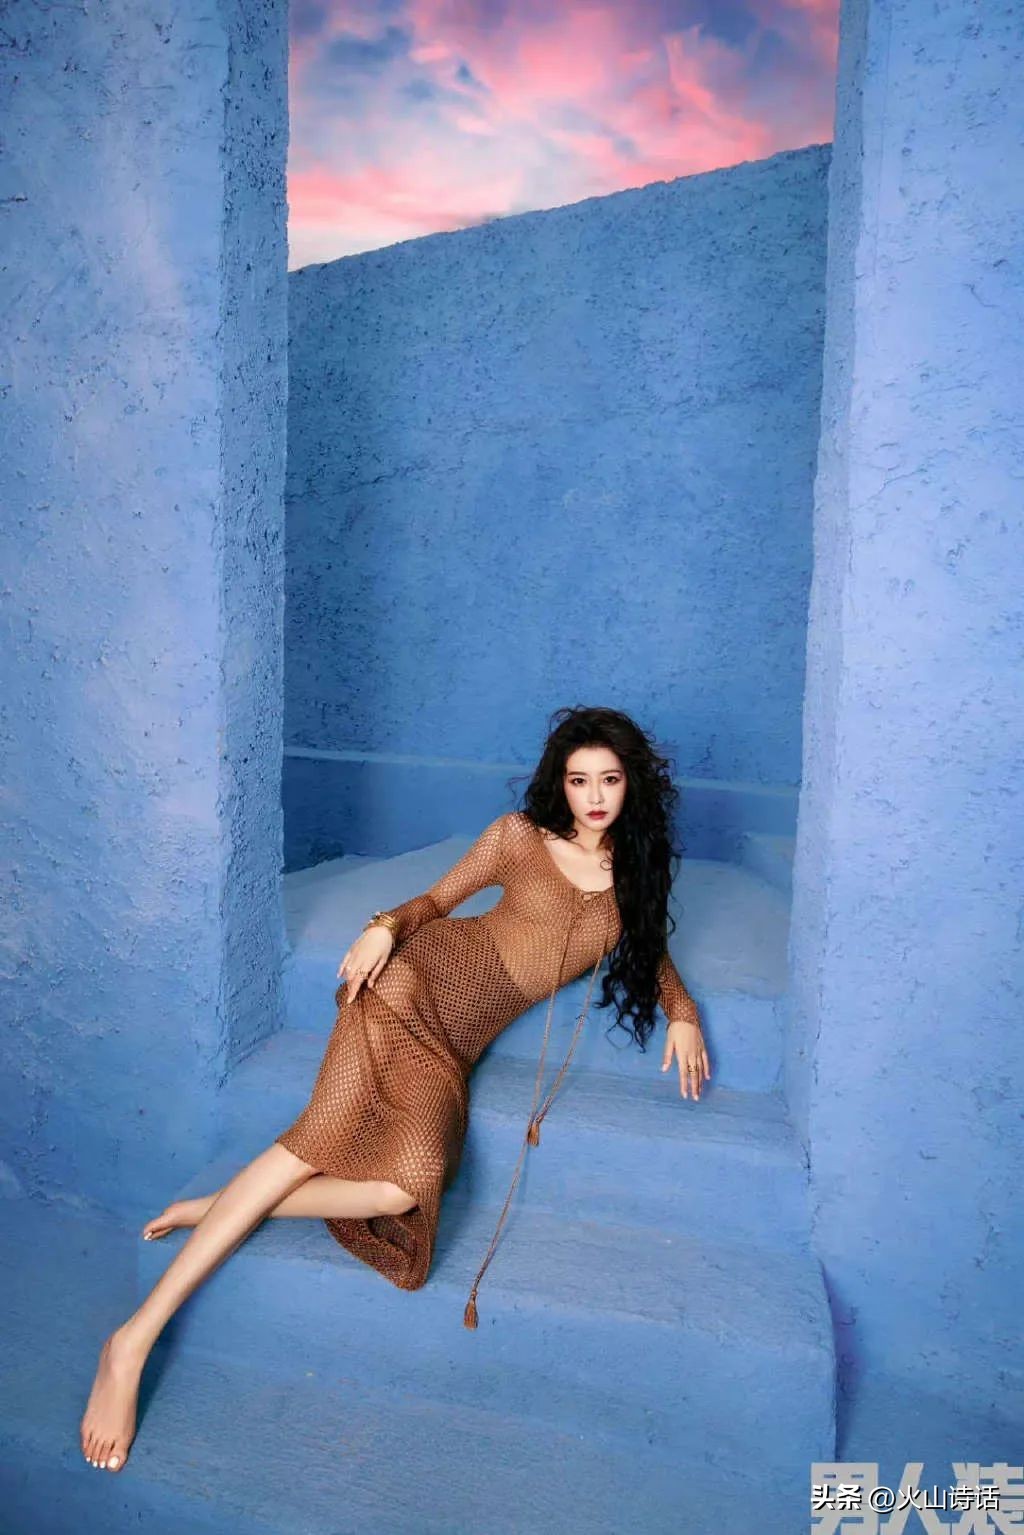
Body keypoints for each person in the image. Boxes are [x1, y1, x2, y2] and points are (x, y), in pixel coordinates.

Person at [79, 705, 711, 1472]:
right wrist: (385, 926)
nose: (595, 796)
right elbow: (436, 903)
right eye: (580, 781)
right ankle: (132, 1339)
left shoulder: (634, 876)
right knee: (316, 1139)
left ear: (631, 782)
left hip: (454, 1044)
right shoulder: (519, 838)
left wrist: (683, 1014)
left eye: (608, 779)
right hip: (411, 984)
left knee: (399, 1189)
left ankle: (219, 1207)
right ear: (561, 784)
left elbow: (653, 952)